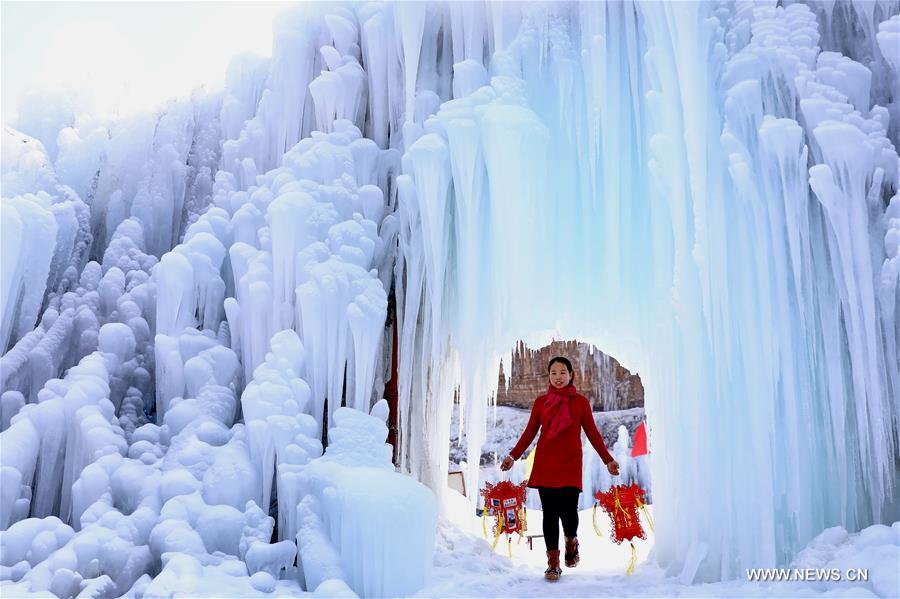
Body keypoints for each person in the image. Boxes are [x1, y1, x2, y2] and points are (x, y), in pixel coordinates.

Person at [500, 356, 619, 581]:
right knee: (550, 514)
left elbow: (592, 433)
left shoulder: (580, 402)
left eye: (562, 372)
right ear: (549, 376)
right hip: (546, 463)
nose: (558, 377)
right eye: (553, 373)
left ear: (571, 374)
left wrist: (608, 460)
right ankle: (552, 564)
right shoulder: (541, 403)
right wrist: (513, 456)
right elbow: (530, 432)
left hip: (570, 463)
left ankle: (571, 541)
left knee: (569, 510)